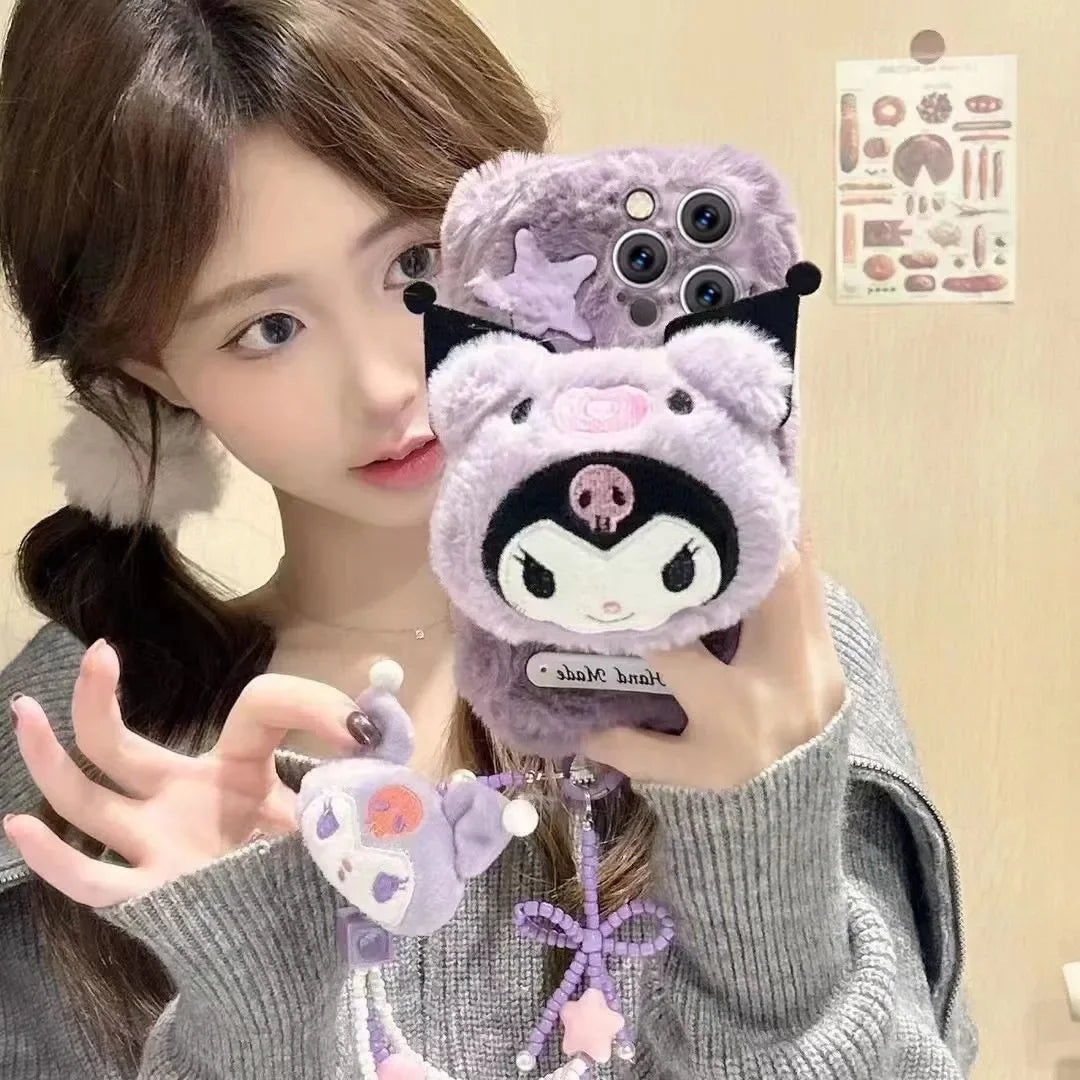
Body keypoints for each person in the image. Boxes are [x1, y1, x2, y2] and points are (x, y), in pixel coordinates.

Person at [0, 1, 977, 1077]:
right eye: (267, 328)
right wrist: (253, 1004)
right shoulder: (84, 757)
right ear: (151, 372)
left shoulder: (754, 661)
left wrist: (761, 879)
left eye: (416, 267)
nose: (385, 383)